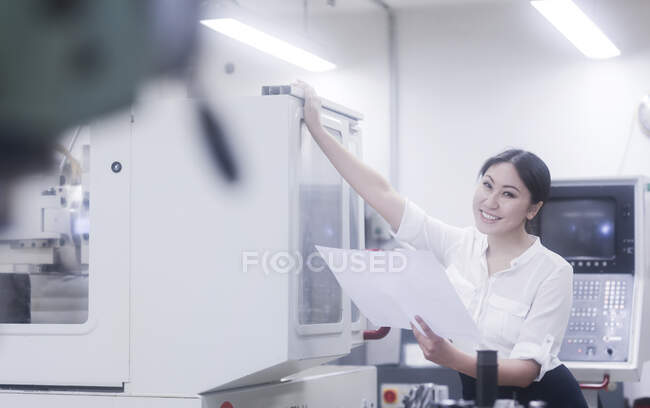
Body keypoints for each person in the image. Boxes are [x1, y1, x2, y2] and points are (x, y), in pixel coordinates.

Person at [295, 81, 588, 407]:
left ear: (533, 208)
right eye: (487, 185)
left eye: (508, 194)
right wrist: (320, 132)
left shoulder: (552, 271)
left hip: (544, 400)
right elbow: (383, 195)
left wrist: (450, 358)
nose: (490, 202)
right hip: (480, 395)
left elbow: (525, 371)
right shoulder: (458, 245)